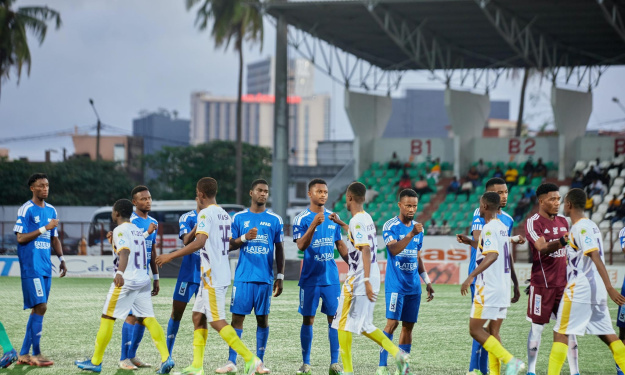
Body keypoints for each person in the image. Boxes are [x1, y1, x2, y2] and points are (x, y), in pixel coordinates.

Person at [156, 177, 265, 375]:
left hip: (213, 275)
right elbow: (226, 242)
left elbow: (199, 242)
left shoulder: (205, 214)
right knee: (198, 316)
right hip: (214, 273)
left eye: (197, 193)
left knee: (216, 321)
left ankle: (251, 359)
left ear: (201, 194)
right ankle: (197, 366)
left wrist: (169, 255)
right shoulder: (223, 213)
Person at [74, 199, 174, 373]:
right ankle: (166, 358)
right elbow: (137, 245)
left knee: (108, 317)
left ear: (117, 213)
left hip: (127, 281)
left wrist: (119, 273)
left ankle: (96, 362)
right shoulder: (137, 231)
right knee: (148, 318)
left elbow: (125, 252)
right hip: (143, 280)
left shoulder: (119, 230)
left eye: (113, 211)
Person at [328, 182, 412, 375]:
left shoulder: (358, 221)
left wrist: (364, 280)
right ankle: (399, 355)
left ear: (349, 198)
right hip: (373, 274)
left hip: (359, 277)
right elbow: (357, 234)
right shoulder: (366, 218)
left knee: (341, 322)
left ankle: (348, 371)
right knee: (364, 325)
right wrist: (341, 223)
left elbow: (365, 249)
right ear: (364, 198)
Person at [547, 188, 625, 375]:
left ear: (569, 205)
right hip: (595, 291)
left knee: (560, 333)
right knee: (609, 336)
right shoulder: (592, 225)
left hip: (580, 290)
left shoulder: (580, 227)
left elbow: (595, 256)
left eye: (563, 201)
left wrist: (610, 288)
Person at [215, 179, 284, 374]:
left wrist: (280, 275)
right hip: (243, 277)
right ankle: (231, 361)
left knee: (262, 320)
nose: (263, 194)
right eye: (260, 191)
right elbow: (228, 245)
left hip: (265, 278)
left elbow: (279, 249)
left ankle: (259, 362)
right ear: (251, 193)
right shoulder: (238, 218)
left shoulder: (275, 220)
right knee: (237, 319)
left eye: (266, 191)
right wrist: (245, 237)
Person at [456, 177, 521, 375]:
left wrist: (470, 277)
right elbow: (502, 252)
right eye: (500, 193)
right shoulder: (501, 227)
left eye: (506, 192)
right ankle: (494, 372)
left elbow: (491, 253)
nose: (504, 196)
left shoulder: (492, 225)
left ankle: (500, 363)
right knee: (493, 332)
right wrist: (515, 284)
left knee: (476, 329)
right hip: (502, 286)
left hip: (487, 285)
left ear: (484, 205)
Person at [292, 178, 349, 375]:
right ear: (310, 194)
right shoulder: (301, 219)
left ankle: (335, 363)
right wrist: (314, 225)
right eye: (319, 192)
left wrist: (354, 264)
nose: (323, 195)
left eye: (325, 192)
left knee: (334, 320)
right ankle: (306, 363)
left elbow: (340, 245)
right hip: (309, 279)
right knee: (308, 320)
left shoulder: (334, 217)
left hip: (331, 279)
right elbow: (300, 246)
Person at [377, 188, 434, 374]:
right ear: (400, 205)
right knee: (392, 324)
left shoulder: (419, 228)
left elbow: (418, 256)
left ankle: (402, 368)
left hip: (413, 287)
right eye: (408, 205)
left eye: (415, 206)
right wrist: (410, 235)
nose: (411, 209)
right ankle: (382, 366)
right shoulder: (390, 226)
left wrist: (427, 280)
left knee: (408, 327)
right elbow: (394, 250)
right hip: (395, 286)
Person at [524, 183, 579, 375]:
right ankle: (531, 371)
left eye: (559, 199)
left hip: (563, 286)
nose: (557, 203)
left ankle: (575, 371)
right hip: (542, 285)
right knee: (537, 329)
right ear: (541, 201)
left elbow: (569, 251)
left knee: (569, 330)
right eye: (553, 199)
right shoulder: (533, 222)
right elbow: (541, 247)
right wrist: (563, 240)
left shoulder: (564, 221)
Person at [14, 173, 67, 367]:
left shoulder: (51, 210)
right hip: (31, 266)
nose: (45, 188)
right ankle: (36, 354)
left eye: (47, 185)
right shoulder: (26, 209)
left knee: (38, 308)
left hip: (46, 266)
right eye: (41, 186)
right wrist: (45, 227)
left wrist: (61, 259)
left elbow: (55, 238)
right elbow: (20, 238)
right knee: (41, 307)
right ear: (32, 189)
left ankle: (24, 354)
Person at [120, 185, 160, 370]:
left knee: (142, 317)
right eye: (143, 199)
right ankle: (123, 359)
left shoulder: (153, 222)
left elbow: (151, 251)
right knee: (131, 317)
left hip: (144, 276)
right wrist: (148, 233)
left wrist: (156, 276)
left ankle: (133, 355)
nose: (148, 201)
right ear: (134, 202)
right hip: (130, 275)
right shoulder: (130, 222)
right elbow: (127, 247)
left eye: (149, 198)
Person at [165, 201, 200, 357]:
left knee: (201, 319)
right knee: (176, 314)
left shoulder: (217, 218)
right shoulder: (187, 217)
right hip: (188, 274)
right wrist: (198, 227)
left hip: (207, 276)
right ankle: (167, 356)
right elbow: (186, 240)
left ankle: (197, 362)